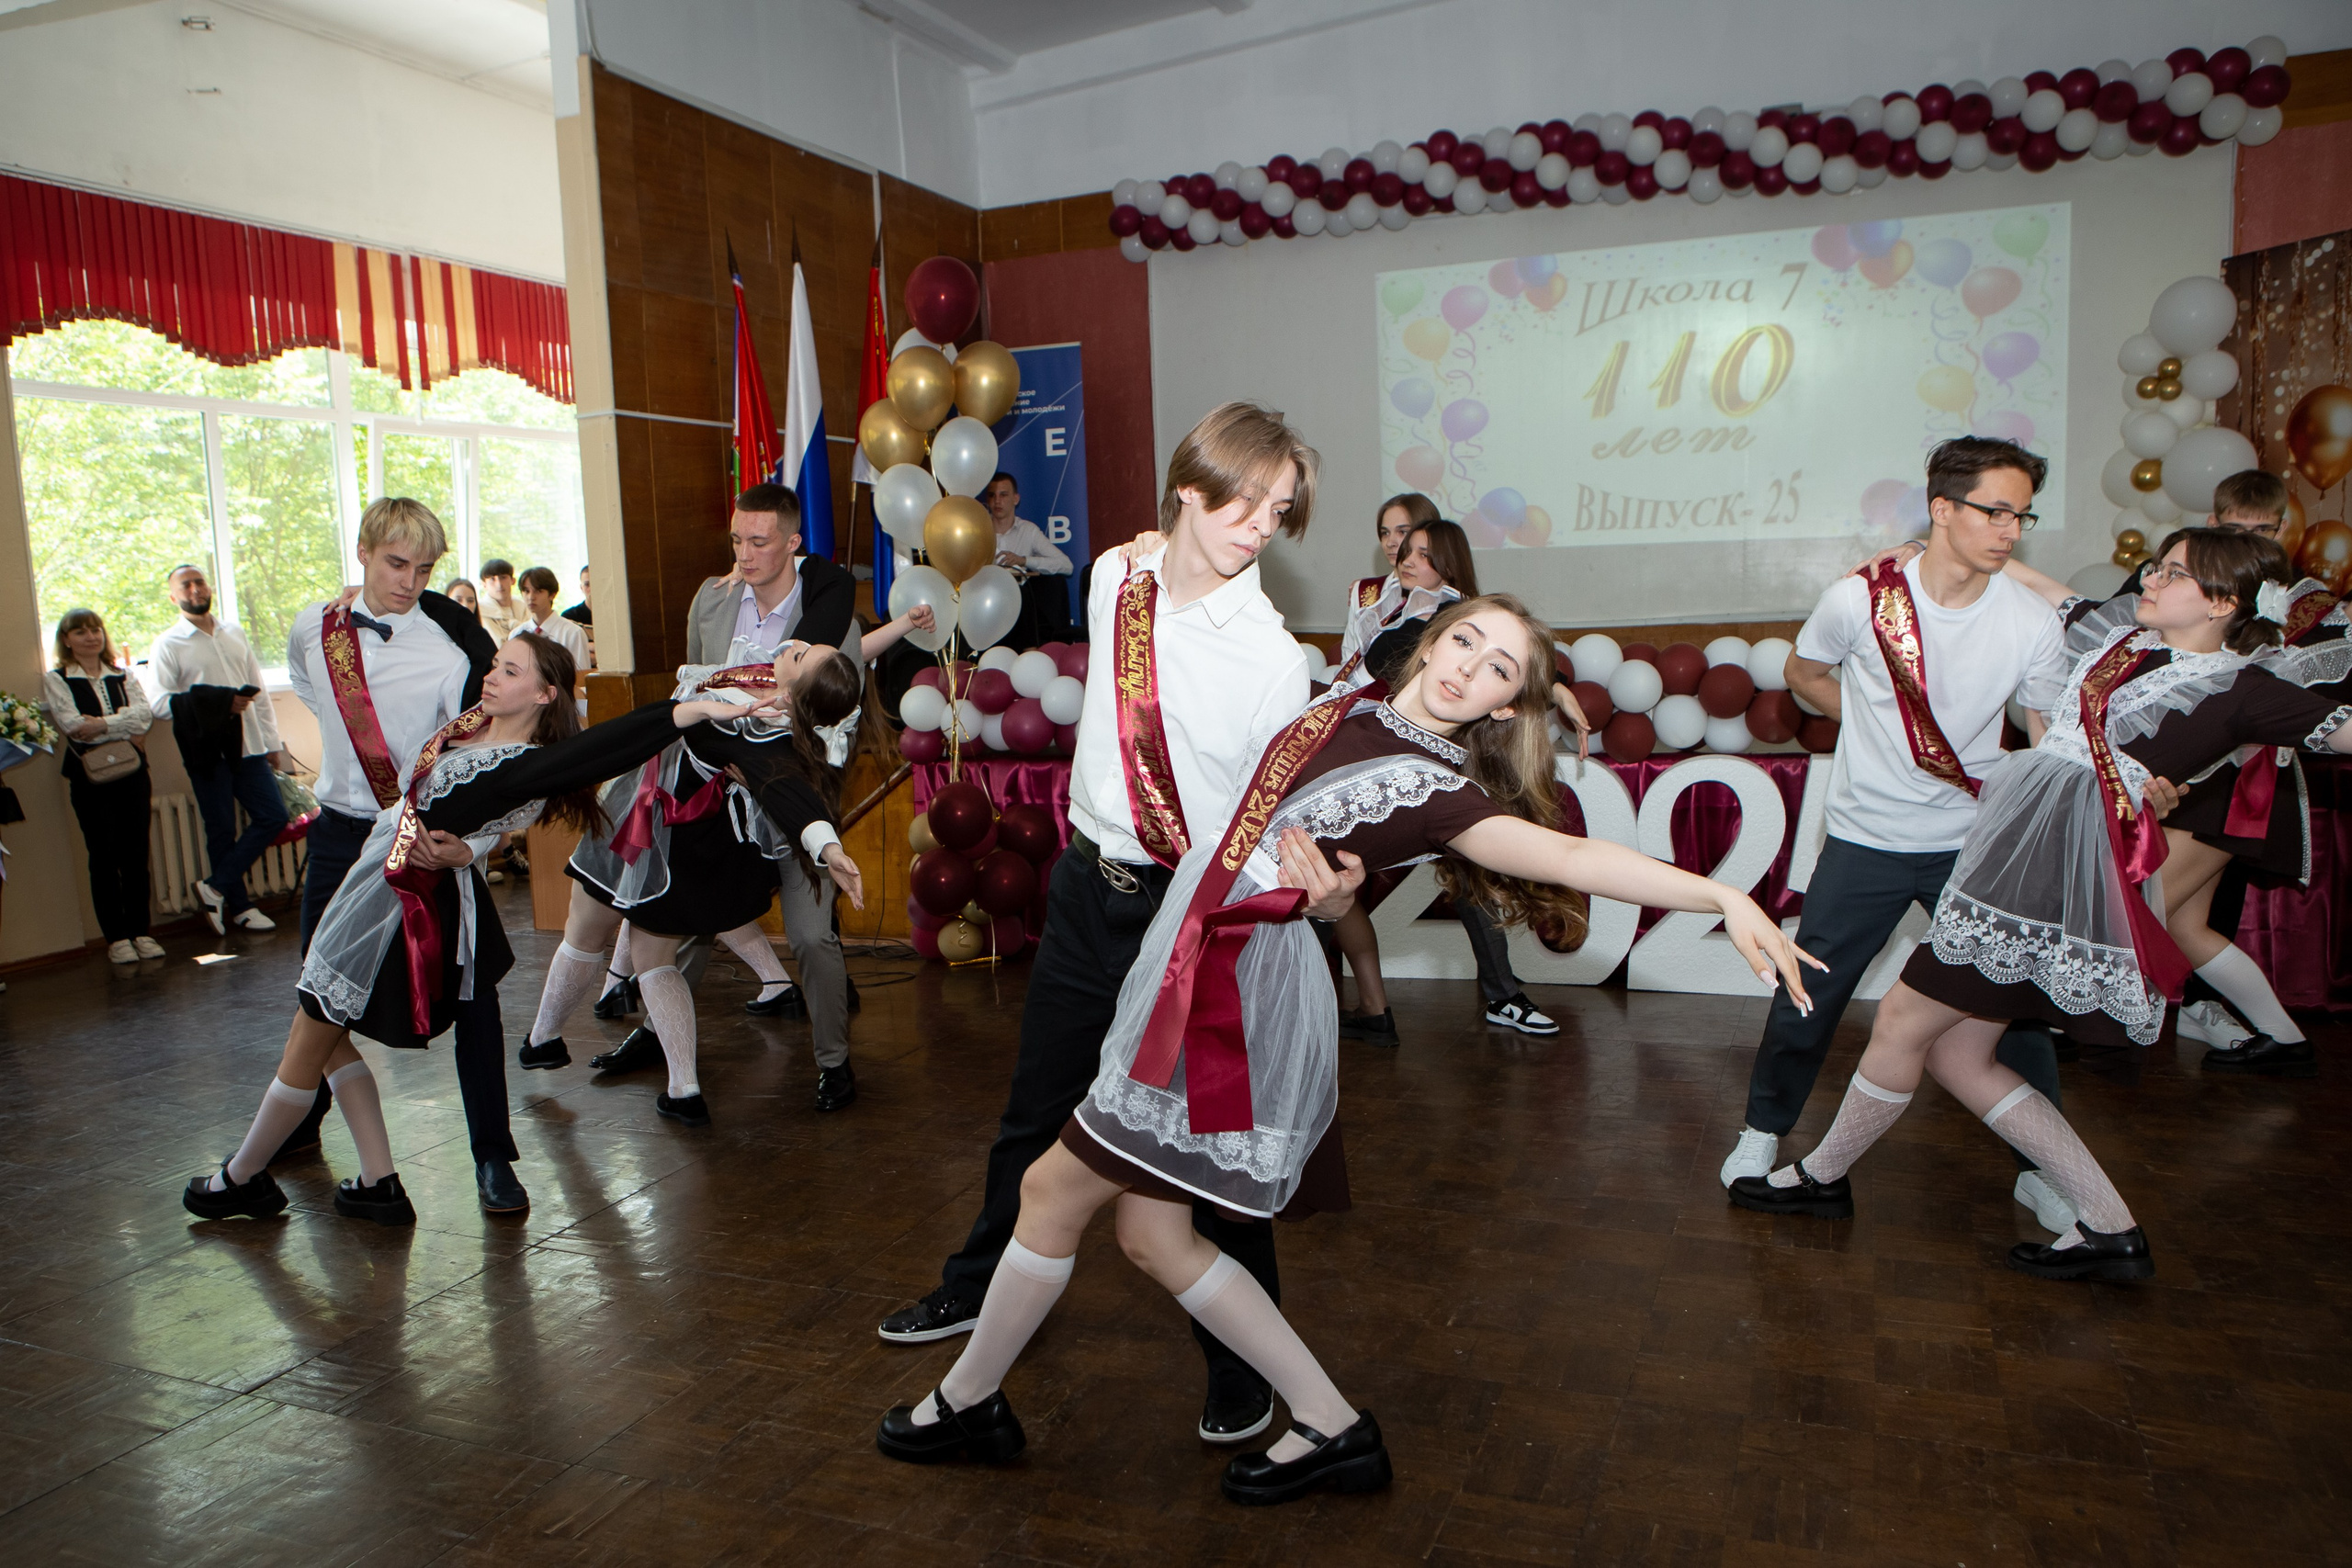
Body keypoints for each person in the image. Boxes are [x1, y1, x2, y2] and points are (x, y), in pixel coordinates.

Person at [876, 596, 1823, 1501]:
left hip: (1227, 990)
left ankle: (965, 1403)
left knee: (1051, 1190)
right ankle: (1331, 1423)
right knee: (1151, 1233)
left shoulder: (1438, 789)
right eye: (1463, 642)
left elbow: (1571, 858)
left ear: (1505, 705)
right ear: (1429, 642)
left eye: (1499, 670)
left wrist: (1722, 896)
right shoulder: (1356, 690)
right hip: (1192, 950)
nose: (1467, 669)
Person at [877, 401, 1367, 1453]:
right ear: (1189, 486)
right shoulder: (1115, 583)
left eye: (1279, 512)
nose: (1258, 524)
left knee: (1212, 1159)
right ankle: (974, 1291)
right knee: (1032, 1113)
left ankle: (1239, 1372)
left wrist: (1322, 883)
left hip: (1186, 924)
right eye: (1242, 497)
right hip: (1083, 891)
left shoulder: (1274, 659)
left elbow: (1270, 820)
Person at [1730, 528, 2352, 1281]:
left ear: (2222, 603)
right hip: (2018, 849)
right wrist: (1924, 544)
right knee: (1961, 1052)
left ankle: (1818, 1178)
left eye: (2175, 573)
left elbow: (2336, 729)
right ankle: (2110, 1227)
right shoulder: (2126, 634)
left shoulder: (2245, 687)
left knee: (1901, 1018)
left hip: (2053, 875)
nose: (2151, 578)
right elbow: (2043, 586)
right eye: (2158, 563)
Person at [181, 636, 755, 1226]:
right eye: (493, 666)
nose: (491, 677)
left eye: (509, 671)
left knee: (313, 1034)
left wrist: (686, 713)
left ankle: (240, 1178)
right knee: (325, 1033)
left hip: (395, 901)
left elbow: (598, 750)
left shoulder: (519, 766)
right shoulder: (470, 727)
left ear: (543, 693)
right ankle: (376, 1180)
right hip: (374, 879)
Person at [1715, 437, 2077, 1237]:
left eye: (2022, 514)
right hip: (1865, 838)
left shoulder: (2029, 621)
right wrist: (1872, 724)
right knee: (1808, 991)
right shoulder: (1859, 599)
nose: (2010, 529)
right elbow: (1808, 675)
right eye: (1995, 510)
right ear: (1942, 508)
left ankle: (2044, 1169)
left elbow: (2046, 730)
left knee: (2011, 1007)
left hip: (1977, 843)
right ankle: (1764, 1129)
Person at [518, 632, 870, 1122]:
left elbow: (788, 790)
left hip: (737, 832)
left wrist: (828, 846)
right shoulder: (762, 682)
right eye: (802, 646)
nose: (795, 643)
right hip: (690, 828)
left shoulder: (760, 731)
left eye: (800, 653)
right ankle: (666, 1067)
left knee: (804, 939)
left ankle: (832, 1064)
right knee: (658, 948)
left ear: (793, 693)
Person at [281, 499, 520, 1212]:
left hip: (418, 839)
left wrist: (470, 846)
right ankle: (304, 1119)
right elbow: (305, 684)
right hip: (335, 836)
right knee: (318, 993)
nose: (410, 581)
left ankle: (493, 1157)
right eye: (395, 563)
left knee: (473, 995)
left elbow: (480, 761)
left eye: (424, 568)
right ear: (361, 549)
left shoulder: (448, 656)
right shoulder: (312, 628)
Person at [2116, 469, 2350, 1064]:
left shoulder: (2296, 606)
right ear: (2214, 523)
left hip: (2229, 784)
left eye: (2262, 528)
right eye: (2237, 527)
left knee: (2129, 911)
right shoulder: (2167, 588)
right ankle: (2285, 1039)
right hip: (2205, 778)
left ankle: (2079, 1022)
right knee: (2189, 925)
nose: (2251, 536)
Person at [1329, 518, 1579, 1043]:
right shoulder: (1381, 605)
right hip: (1365, 744)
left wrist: (1555, 688)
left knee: (1474, 876)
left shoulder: (1452, 610)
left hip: (1434, 764)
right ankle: (1369, 1007)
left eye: (1417, 546)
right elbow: (1367, 663)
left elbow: (1515, 659)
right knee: (1331, 877)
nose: (1400, 552)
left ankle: (1502, 995)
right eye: (1390, 537)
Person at [147, 563, 292, 935]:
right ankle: (241, 907)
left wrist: (272, 744)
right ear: (173, 596)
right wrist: (216, 704)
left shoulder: (234, 632)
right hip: (208, 751)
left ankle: (215, 886)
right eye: (185, 585)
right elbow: (160, 704)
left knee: (273, 816)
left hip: (250, 747)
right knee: (221, 829)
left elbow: (256, 691)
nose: (194, 589)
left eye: (199, 582)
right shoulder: (168, 643)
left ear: (208, 586)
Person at [43, 608, 160, 963]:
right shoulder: (58, 678)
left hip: (132, 774)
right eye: (80, 632)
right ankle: (116, 938)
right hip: (89, 777)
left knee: (136, 853)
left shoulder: (122, 674)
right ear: (66, 640)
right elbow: (73, 725)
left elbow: (146, 715)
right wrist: (123, 725)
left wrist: (104, 725)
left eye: (95, 630)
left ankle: (141, 931)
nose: (90, 637)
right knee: (104, 855)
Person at [1332, 491, 1441, 682]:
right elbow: (1349, 659)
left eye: (1402, 532)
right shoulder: (1365, 590)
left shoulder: (1447, 596)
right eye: (1385, 533)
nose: (1390, 542)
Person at [983, 471, 1074, 577]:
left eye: (1003, 495)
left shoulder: (1028, 530)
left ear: (1016, 499)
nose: (997, 501)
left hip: (1021, 591)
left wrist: (1024, 561)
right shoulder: (978, 531)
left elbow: (1066, 566)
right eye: (992, 495)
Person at [516, 566, 591, 669]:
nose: (531, 597)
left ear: (552, 594)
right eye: (526, 591)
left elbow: (581, 676)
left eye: (538, 591)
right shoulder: (517, 634)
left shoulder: (573, 633)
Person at [477, 559, 522, 643]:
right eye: (492, 579)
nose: (499, 584)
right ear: (484, 584)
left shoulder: (523, 607)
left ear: (513, 581)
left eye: (503, 578)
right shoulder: (479, 610)